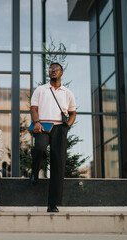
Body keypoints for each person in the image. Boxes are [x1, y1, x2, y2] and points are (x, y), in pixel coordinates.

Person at [29, 62, 76, 213]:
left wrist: (66, 126)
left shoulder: (67, 93)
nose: (53, 71)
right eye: (50, 69)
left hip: (59, 128)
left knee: (58, 164)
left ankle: (52, 204)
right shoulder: (41, 90)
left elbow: (72, 113)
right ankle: (35, 172)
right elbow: (34, 109)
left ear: (62, 72)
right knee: (39, 148)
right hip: (43, 126)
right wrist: (36, 122)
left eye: (56, 69)